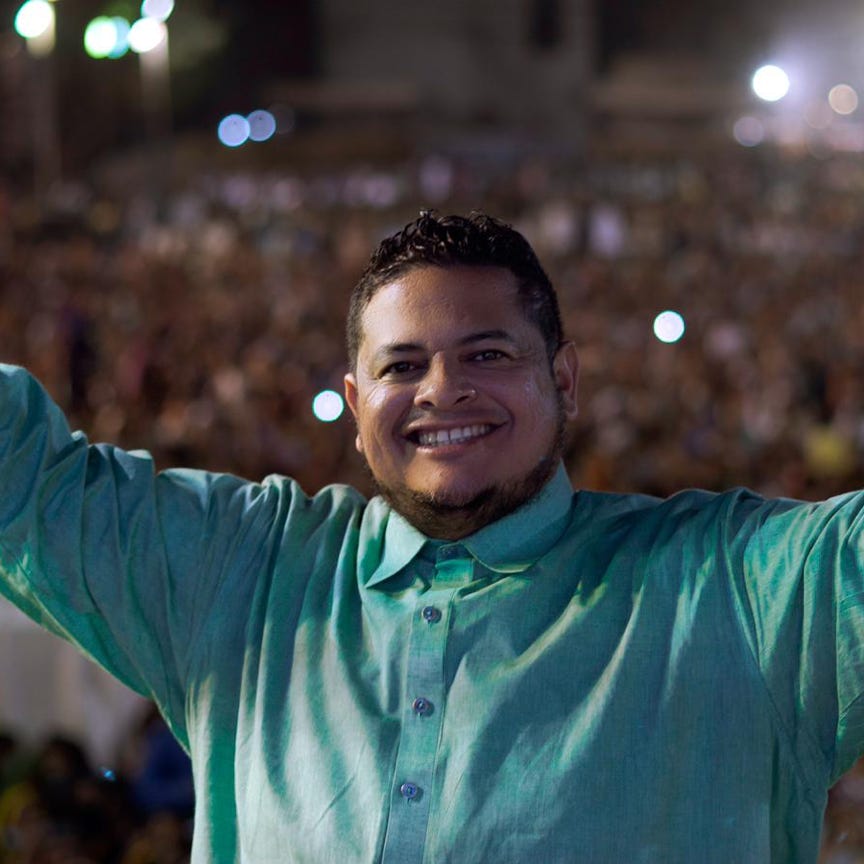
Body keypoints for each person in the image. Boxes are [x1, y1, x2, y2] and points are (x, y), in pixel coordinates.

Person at [0, 210, 862, 863]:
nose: (441, 390)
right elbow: (25, 482)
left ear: (564, 379)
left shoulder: (739, 593)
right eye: (401, 366)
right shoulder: (243, 574)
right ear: (352, 398)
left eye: (488, 355)